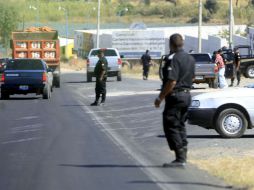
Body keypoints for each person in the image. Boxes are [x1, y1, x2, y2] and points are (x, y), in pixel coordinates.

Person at [154, 33, 195, 167]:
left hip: (176, 96)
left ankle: (180, 158)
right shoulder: (190, 58)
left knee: (171, 124)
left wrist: (160, 98)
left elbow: (172, 81)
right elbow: (193, 78)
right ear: (182, 43)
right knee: (180, 125)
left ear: (171, 44)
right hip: (187, 95)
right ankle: (183, 154)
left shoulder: (174, 59)